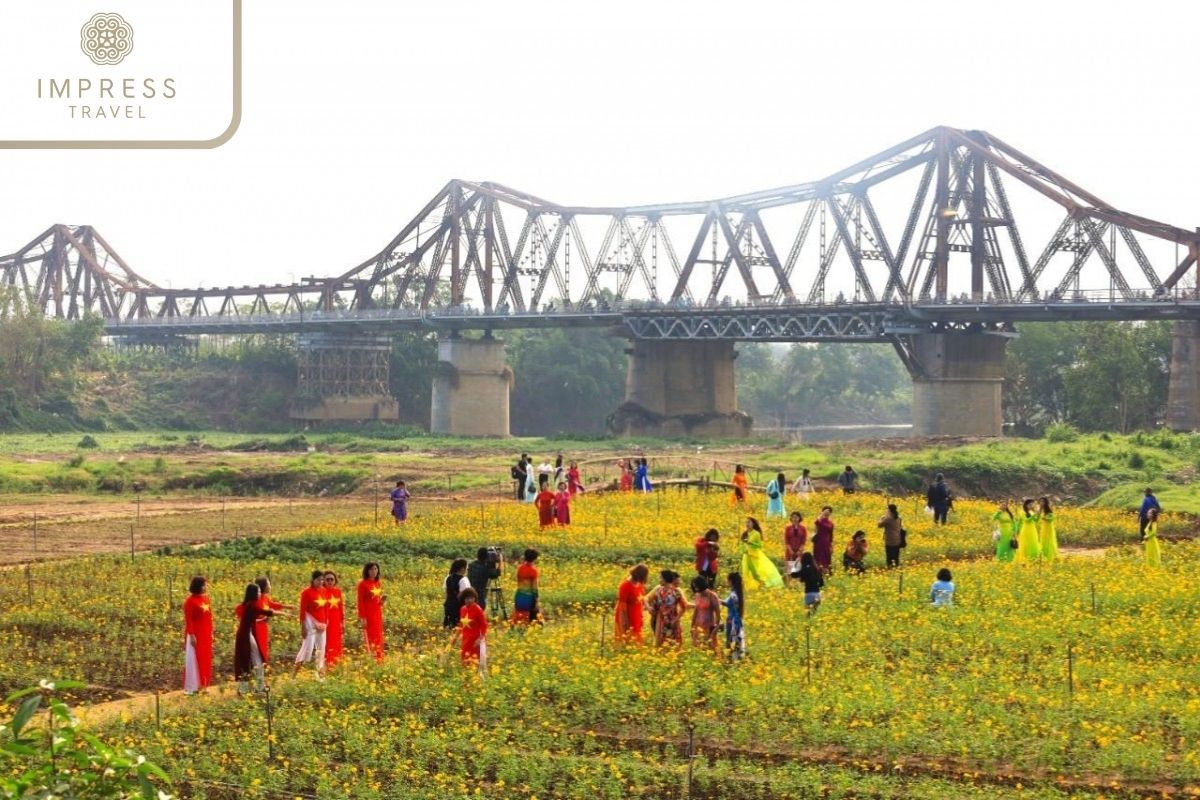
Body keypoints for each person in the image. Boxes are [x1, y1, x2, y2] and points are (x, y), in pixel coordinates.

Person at [234, 583, 273, 694]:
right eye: (258, 592)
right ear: (253, 593)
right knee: (256, 659)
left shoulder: (249, 604)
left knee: (247, 660)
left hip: (245, 635)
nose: (260, 594)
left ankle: (245, 688)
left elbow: (251, 620)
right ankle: (258, 687)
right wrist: (284, 613)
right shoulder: (252, 605)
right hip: (246, 636)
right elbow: (268, 612)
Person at [294, 570, 329, 679]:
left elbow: (326, 608)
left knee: (321, 650)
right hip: (310, 624)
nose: (321, 582)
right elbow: (302, 611)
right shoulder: (306, 592)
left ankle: (320, 677)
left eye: (322, 580)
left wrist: (326, 622)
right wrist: (303, 627)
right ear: (313, 580)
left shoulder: (324, 591)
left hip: (322, 625)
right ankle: (294, 676)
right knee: (307, 649)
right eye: (318, 580)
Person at [182, 576, 213, 694]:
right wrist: (192, 635)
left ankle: (204, 685)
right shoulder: (189, 601)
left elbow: (209, 617)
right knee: (194, 660)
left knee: (205, 659)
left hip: (206, 634)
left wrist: (211, 632)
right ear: (199, 586)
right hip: (195, 634)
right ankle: (192, 687)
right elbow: (188, 620)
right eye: (205, 585)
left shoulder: (206, 598)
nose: (206, 587)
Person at [252, 576, 289, 664]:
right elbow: (263, 612)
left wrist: (287, 607)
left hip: (263, 627)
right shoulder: (257, 600)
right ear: (264, 587)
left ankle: (262, 667)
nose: (270, 586)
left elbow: (272, 604)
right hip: (257, 628)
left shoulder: (265, 597)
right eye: (269, 584)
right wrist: (280, 613)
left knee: (264, 647)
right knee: (258, 648)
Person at [739, 517, 784, 591]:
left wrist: (751, 543)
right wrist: (743, 550)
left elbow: (759, 545)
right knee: (746, 572)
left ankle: (763, 584)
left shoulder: (756, 534)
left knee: (756, 573)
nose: (747, 524)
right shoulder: (744, 534)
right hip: (746, 556)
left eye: (749, 522)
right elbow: (741, 545)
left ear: (753, 524)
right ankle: (750, 587)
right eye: (746, 522)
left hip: (754, 556)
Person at [647, 570, 689, 646]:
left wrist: (675, 619)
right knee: (661, 644)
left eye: (660, 578)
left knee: (673, 644)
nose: (659, 580)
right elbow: (655, 607)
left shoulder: (676, 592)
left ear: (665, 579)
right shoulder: (658, 591)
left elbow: (684, 607)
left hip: (672, 620)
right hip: (661, 621)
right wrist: (651, 610)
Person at [450, 587, 488, 671]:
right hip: (466, 640)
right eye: (467, 598)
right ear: (463, 599)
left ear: (475, 598)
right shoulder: (462, 609)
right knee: (465, 660)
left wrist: (480, 639)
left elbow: (484, 625)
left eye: (472, 598)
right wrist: (455, 637)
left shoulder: (478, 609)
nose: (470, 600)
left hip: (476, 641)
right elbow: (461, 625)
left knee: (475, 663)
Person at [357, 562, 386, 661]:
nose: (374, 571)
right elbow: (360, 602)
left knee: (378, 635)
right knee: (370, 635)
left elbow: (377, 600)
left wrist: (382, 601)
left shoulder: (377, 583)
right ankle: (371, 657)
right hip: (368, 614)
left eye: (375, 569)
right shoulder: (362, 584)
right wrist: (362, 618)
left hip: (377, 613)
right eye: (371, 569)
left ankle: (379, 657)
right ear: (367, 571)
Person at [614, 564, 650, 643]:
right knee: (626, 638)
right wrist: (625, 622)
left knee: (636, 640)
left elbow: (641, 597)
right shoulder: (625, 585)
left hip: (636, 615)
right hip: (627, 616)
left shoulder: (639, 584)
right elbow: (622, 606)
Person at [689, 575, 722, 651]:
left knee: (710, 648)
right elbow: (696, 612)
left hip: (709, 626)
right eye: (694, 586)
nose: (696, 588)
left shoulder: (712, 596)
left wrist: (715, 628)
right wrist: (692, 626)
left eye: (696, 586)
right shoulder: (697, 595)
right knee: (698, 648)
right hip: (698, 626)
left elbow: (718, 613)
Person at [322, 571, 345, 667]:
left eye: (332, 579)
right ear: (324, 581)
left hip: (336, 621)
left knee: (337, 643)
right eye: (327, 579)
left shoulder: (338, 591)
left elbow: (341, 607)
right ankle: (327, 663)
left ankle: (337, 663)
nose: (330, 581)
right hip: (326, 622)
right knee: (327, 643)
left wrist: (343, 622)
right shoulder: (321, 592)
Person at [512, 549, 541, 624]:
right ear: (535, 558)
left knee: (518, 619)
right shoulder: (533, 571)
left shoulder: (520, 568)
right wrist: (537, 601)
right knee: (531, 621)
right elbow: (535, 589)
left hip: (519, 596)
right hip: (528, 598)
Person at [722, 572, 746, 660]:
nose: (727, 582)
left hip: (732, 621)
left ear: (731, 581)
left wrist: (716, 598)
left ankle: (732, 659)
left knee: (731, 640)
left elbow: (727, 603)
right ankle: (737, 657)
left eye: (728, 580)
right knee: (737, 639)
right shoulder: (739, 592)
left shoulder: (733, 594)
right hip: (738, 620)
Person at [443, 559, 471, 629]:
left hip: (448, 606)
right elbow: (466, 596)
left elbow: (447, 593)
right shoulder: (464, 580)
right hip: (459, 609)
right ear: (462, 569)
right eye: (466, 568)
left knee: (450, 627)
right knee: (460, 629)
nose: (467, 570)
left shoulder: (448, 577)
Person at [783, 512, 807, 584]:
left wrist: (800, 550)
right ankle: (788, 584)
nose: (794, 519)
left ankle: (796, 585)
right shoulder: (788, 528)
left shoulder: (803, 528)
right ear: (791, 518)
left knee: (797, 568)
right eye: (793, 517)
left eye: (796, 517)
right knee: (789, 569)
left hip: (799, 551)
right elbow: (786, 540)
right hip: (789, 551)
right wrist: (790, 550)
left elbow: (803, 540)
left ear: (799, 518)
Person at [1016, 498, 1041, 564]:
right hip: (1026, 529)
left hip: (1033, 529)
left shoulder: (1031, 512)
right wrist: (1035, 514)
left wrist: (1038, 514)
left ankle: (1033, 558)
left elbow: (1036, 521)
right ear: (1026, 505)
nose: (1031, 506)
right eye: (1030, 504)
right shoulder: (1022, 512)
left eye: (1032, 504)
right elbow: (1026, 520)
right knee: (1026, 544)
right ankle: (1025, 559)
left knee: (1033, 542)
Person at [879, 503, 904, 569]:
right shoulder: (899, 518)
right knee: (896, 555)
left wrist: (881, 518)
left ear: (889, 510)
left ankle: (890, 567)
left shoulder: (888, 519)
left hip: (890, 540)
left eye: (887, 509)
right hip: (898, 539)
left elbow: (879, 525)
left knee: (889, 555)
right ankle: (896, 567)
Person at [812, 506, 835, 575]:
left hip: (826, 543)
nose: (827, 513)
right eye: (825, 511)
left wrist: (831, 546)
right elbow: (816, 524)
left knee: (827, 557)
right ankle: (817, 572)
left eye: (829, 512)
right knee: (818, 556)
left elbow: (831, 535)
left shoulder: (831, 523)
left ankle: (826, 573)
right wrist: (822, 515)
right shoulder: (819, 520)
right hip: (818, 542)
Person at [1038, 497, 1059, 561]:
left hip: (1049, 527)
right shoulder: (1041, 509)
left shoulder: (1048, 509)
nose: (1042, 503)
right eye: (1041, 501)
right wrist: (1040, 509)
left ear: (1046, 502)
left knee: (1049, 539)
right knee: (1043, 539)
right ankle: (1044, 554)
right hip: (1043, 527)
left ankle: (1051, 554)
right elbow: (1037, 517)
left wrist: (1046, 518)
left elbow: (1052, 518)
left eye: (1043, 502)